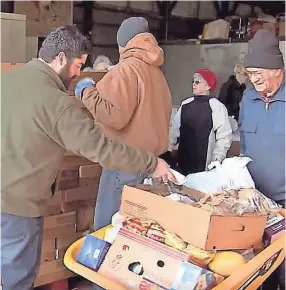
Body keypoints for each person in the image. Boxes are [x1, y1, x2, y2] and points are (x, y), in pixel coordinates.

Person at [1, 25, 174, 290]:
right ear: (60, 58)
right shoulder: (56, 103)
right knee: (17, 278)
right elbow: (100, 147)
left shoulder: (6, 81)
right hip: (18, 207)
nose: (78, 73)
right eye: (78, 65)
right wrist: (152, 163)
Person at [74, 17, 172, 231]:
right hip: (151, 163)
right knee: (135, 229)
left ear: (123, 43)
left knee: (107, 229)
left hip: (124, 162)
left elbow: (113, 116)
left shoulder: (126, 70)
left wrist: (86, 91)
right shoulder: (157, 73)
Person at [239, 29, 285, 290]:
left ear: (277, 70)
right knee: (260, 272)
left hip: (285, 201)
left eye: (259, 73)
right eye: (250, 73)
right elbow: (245, 146)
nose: (253, 79)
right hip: (256, 202)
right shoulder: (249, 98)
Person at [169, 69, 232, 175]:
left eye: (197, 82)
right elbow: (175, 130)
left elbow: (224, 136)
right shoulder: (185, 104)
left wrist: (217, 159)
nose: (194, 84)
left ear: (208, 86)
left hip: (204, 163)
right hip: (183, 159)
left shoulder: (217, 107)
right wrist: (169, 150)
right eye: (193, 81)